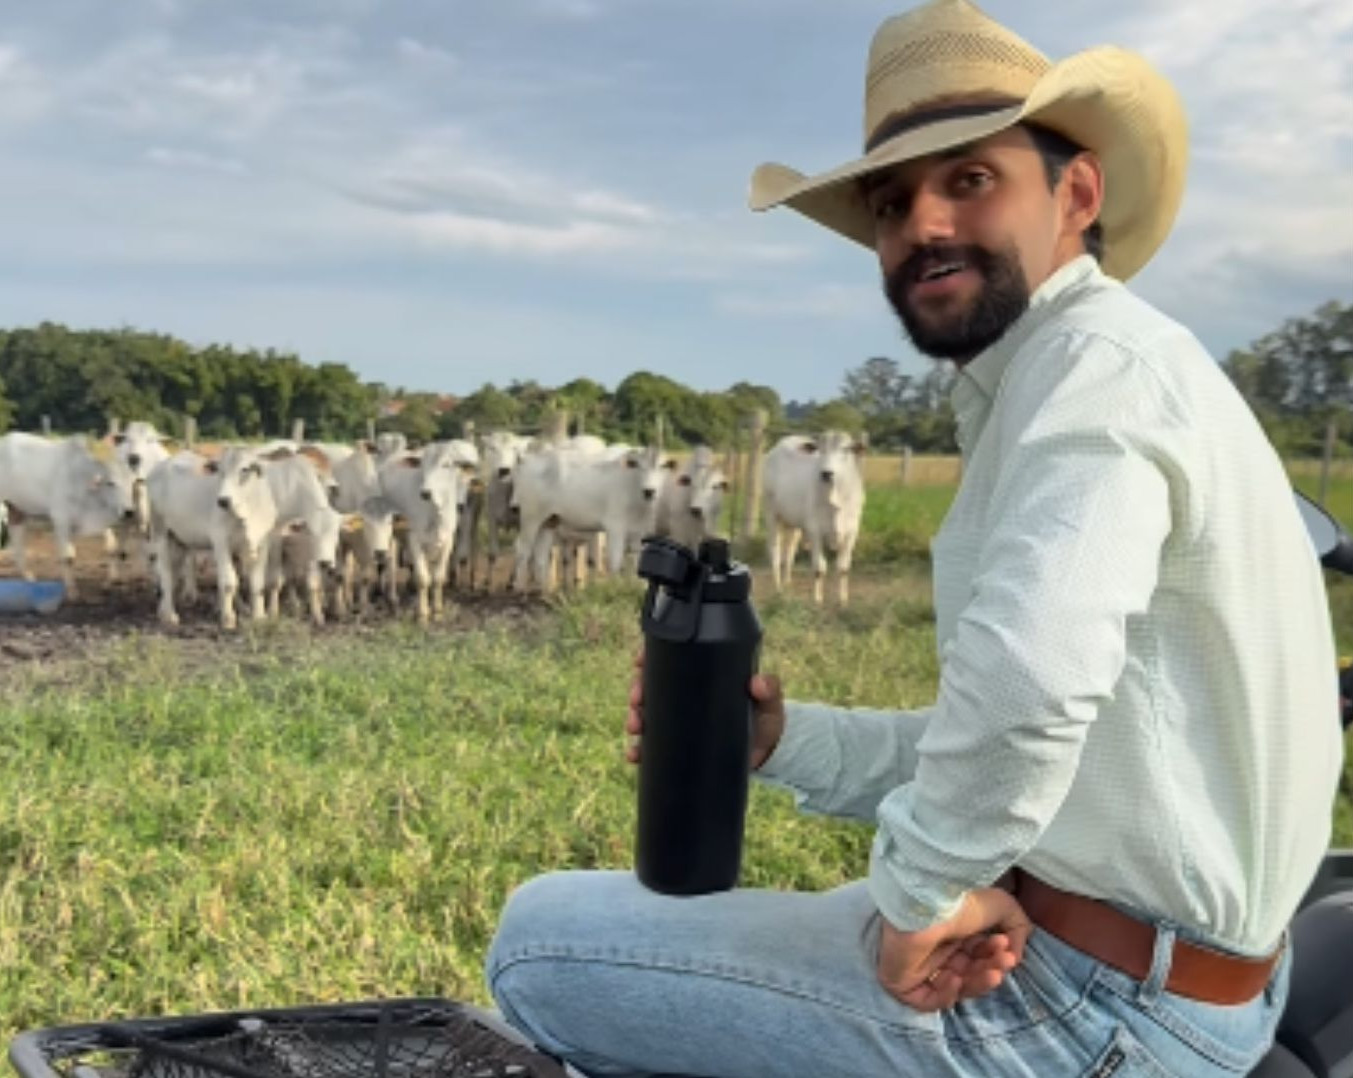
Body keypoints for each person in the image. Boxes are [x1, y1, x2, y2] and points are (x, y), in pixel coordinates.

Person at [484, 1, 1345, 1074]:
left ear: (1076, 194)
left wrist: (917, 901)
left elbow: (1027, 693)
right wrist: (780, 746)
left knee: (538, 940)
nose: (923, 224)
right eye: (893, 203)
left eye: (970, 179)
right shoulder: (1109, 368)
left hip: (1090, 1008)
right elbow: (1013, 735)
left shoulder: (1091, 380)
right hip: (1165, 974)